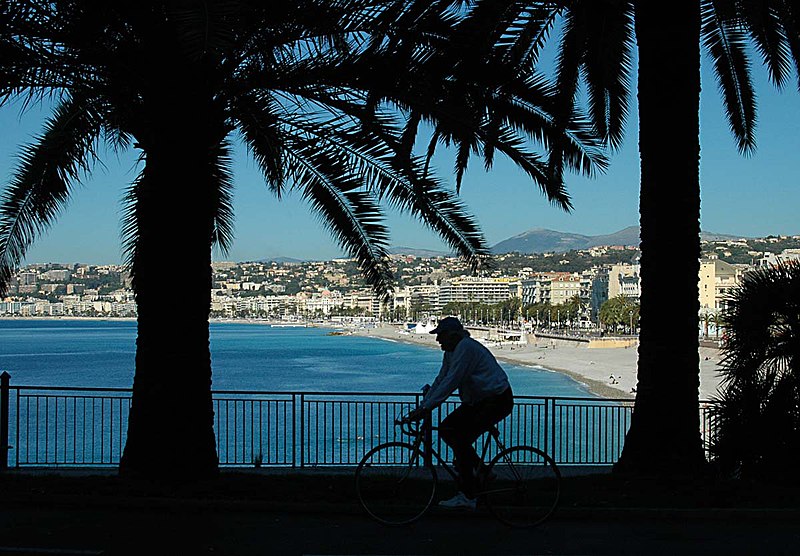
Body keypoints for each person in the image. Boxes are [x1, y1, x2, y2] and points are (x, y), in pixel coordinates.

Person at [403, 316, 513, 510]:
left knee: (460, 440)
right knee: (447, 429)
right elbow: (441, 379)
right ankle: (483, 471)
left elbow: (452, 381)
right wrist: (425, 405)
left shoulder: (465, 348)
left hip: (497, 400)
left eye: (441, 336)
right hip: (480, 400)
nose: (438, 340)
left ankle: (469, 496)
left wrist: (427, 408)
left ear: (453, 335)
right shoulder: (451, 351)